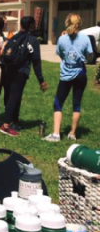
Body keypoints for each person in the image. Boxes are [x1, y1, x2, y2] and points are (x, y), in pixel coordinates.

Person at [43, 14, 93, 142]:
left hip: (66, 75)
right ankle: (72, 133)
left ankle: (56, 134)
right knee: (76, 104)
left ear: (67, 23)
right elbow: (90, 55)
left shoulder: (62, 39)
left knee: (58, 103)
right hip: (81, 73)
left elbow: (60, 54)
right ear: (80, 23)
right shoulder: (86, 38)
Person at [0, 16, 48, 137]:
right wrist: (41, 80)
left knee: (12, 96)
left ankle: (14, 121)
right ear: (31, 26)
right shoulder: (33, 40)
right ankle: (6, 125)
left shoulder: (13, 38)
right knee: (14, 97)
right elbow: (36, 62)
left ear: (21, 25)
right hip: (21, 72)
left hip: (8, 71)